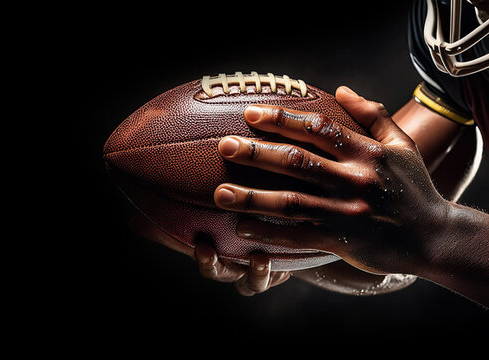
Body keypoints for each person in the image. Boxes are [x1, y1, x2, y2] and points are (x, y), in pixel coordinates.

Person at [130, 0, 489, 305]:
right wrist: (275, 240)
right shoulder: (456, 23)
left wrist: (437, 232)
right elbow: (391, 245)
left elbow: (425, 236)